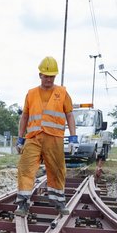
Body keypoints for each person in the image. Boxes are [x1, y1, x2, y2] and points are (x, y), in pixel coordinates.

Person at [15, 56, 77, 216]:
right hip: (33, 138)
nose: (48, 79)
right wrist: (20, 138)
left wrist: (73, 137)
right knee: (25, 168)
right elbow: (24, 117)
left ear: (55, 76)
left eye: (51, 76)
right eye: (46, 75)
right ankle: (22, 204)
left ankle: (58, 203)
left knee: (57, 170)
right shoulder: (31, 94)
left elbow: (70, 115)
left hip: (54, 138)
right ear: (40, 75)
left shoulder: (62, 93)